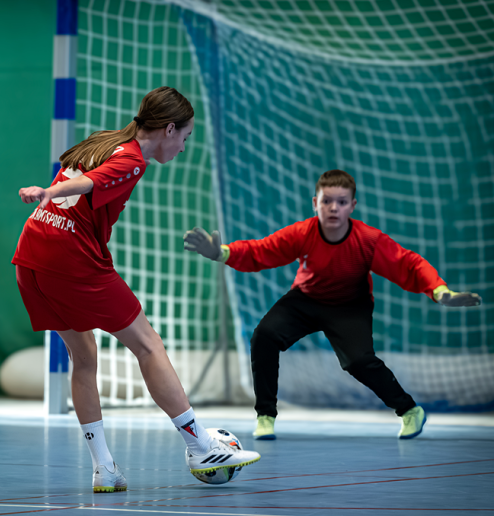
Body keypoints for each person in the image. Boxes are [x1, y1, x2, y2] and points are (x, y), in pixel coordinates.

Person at [12, 87, 260, 493]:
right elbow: (91, 183)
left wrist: (47, 197)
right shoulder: (130, 159)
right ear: (168, 129)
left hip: (31, 257)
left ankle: (104, 468)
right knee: (147, 344)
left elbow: (85, 174)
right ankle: (200, 446)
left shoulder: (106, 140)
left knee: (84, 356)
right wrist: (47, 192)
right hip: (69, 261)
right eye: (185, 137)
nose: (182, 147)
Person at [184, 169, 481, 441]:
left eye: (341, 202)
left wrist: (440, 291)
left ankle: (409, 411)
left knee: (358, 362)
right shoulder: (303, 233)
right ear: (316, 203)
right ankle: (265, 415)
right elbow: (263, 250)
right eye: (327, 201)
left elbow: (408, 264)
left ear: (352, 206)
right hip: (306, 299)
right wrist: (221, 252)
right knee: (264, 336)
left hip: (350, 305)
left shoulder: (367, 240)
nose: (333, 208)